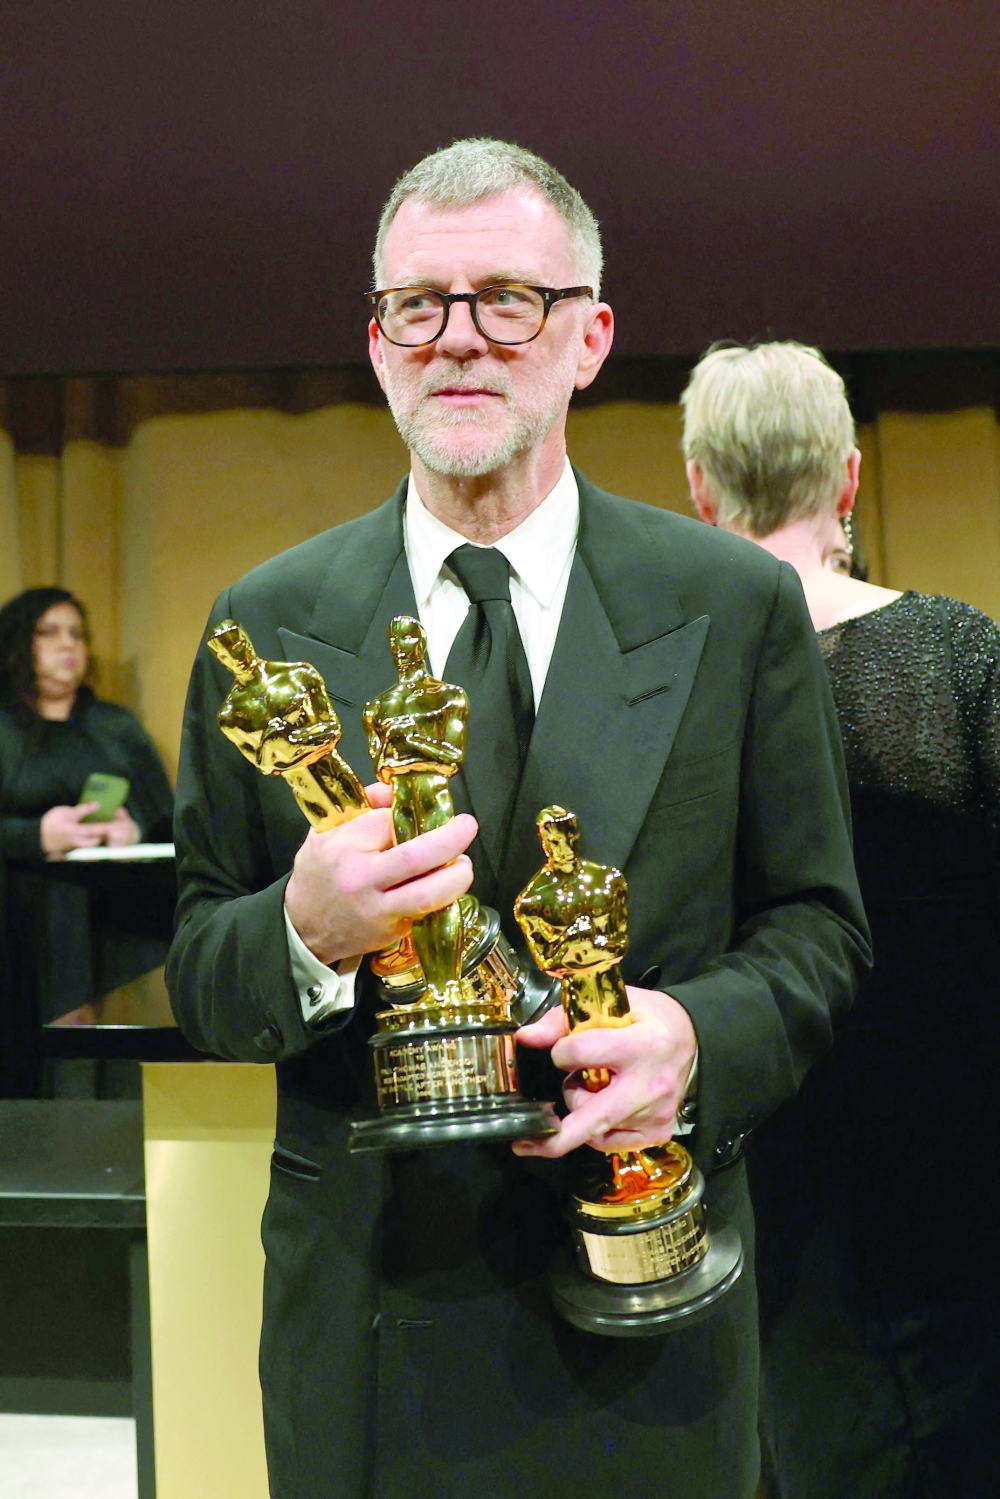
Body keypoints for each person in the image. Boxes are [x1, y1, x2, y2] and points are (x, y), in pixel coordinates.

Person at [167, 141, 870, 1499]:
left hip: (648, 1296)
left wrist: (691, 1039)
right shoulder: (266, 624)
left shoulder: (730, 604)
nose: (458, 338)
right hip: (367, 1325)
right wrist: (305, 930)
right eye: (417, 304)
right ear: (377, 343)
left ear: (588, 336)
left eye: (507, 299)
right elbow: (202, 966)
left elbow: (819, 933)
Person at [684, 341, 1000, 1498]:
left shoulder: (672, 687)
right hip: (953, 1170)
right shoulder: (959, 653)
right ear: (850, 475)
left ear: (699, 489)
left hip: (754, 1158)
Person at [0, 587, 174, 1080]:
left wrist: (131, 828)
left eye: (77, 634)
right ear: (17, 645)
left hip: (115, 913)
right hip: (22, 915)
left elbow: (167, 816)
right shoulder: (4, 728)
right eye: (49, 633)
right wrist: (37, 835)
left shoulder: (113, 725)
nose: (68, 645)